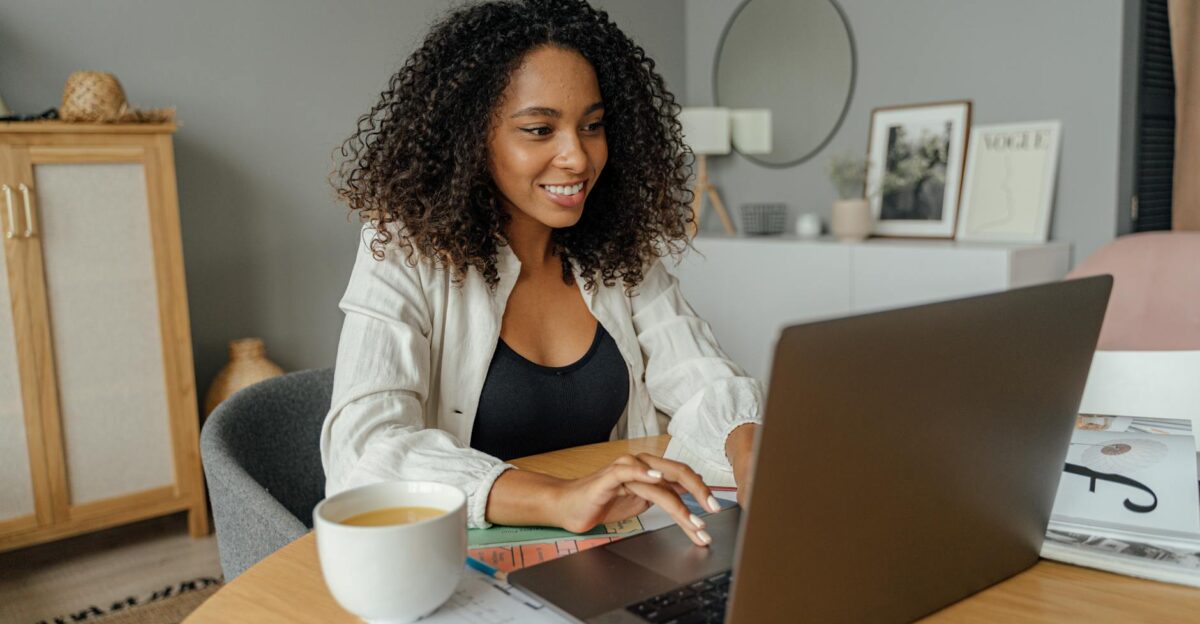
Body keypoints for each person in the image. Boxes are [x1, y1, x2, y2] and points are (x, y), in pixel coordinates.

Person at [322, 0, 762, 547]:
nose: (577, 157)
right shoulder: (406, 249)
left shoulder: (619, 249)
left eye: (593, 126)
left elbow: (700, 374)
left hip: (613, 544)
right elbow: (363, 449)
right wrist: (558, 499)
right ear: (472, 136)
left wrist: (750, 446)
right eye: (538, 130)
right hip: (457, 557)